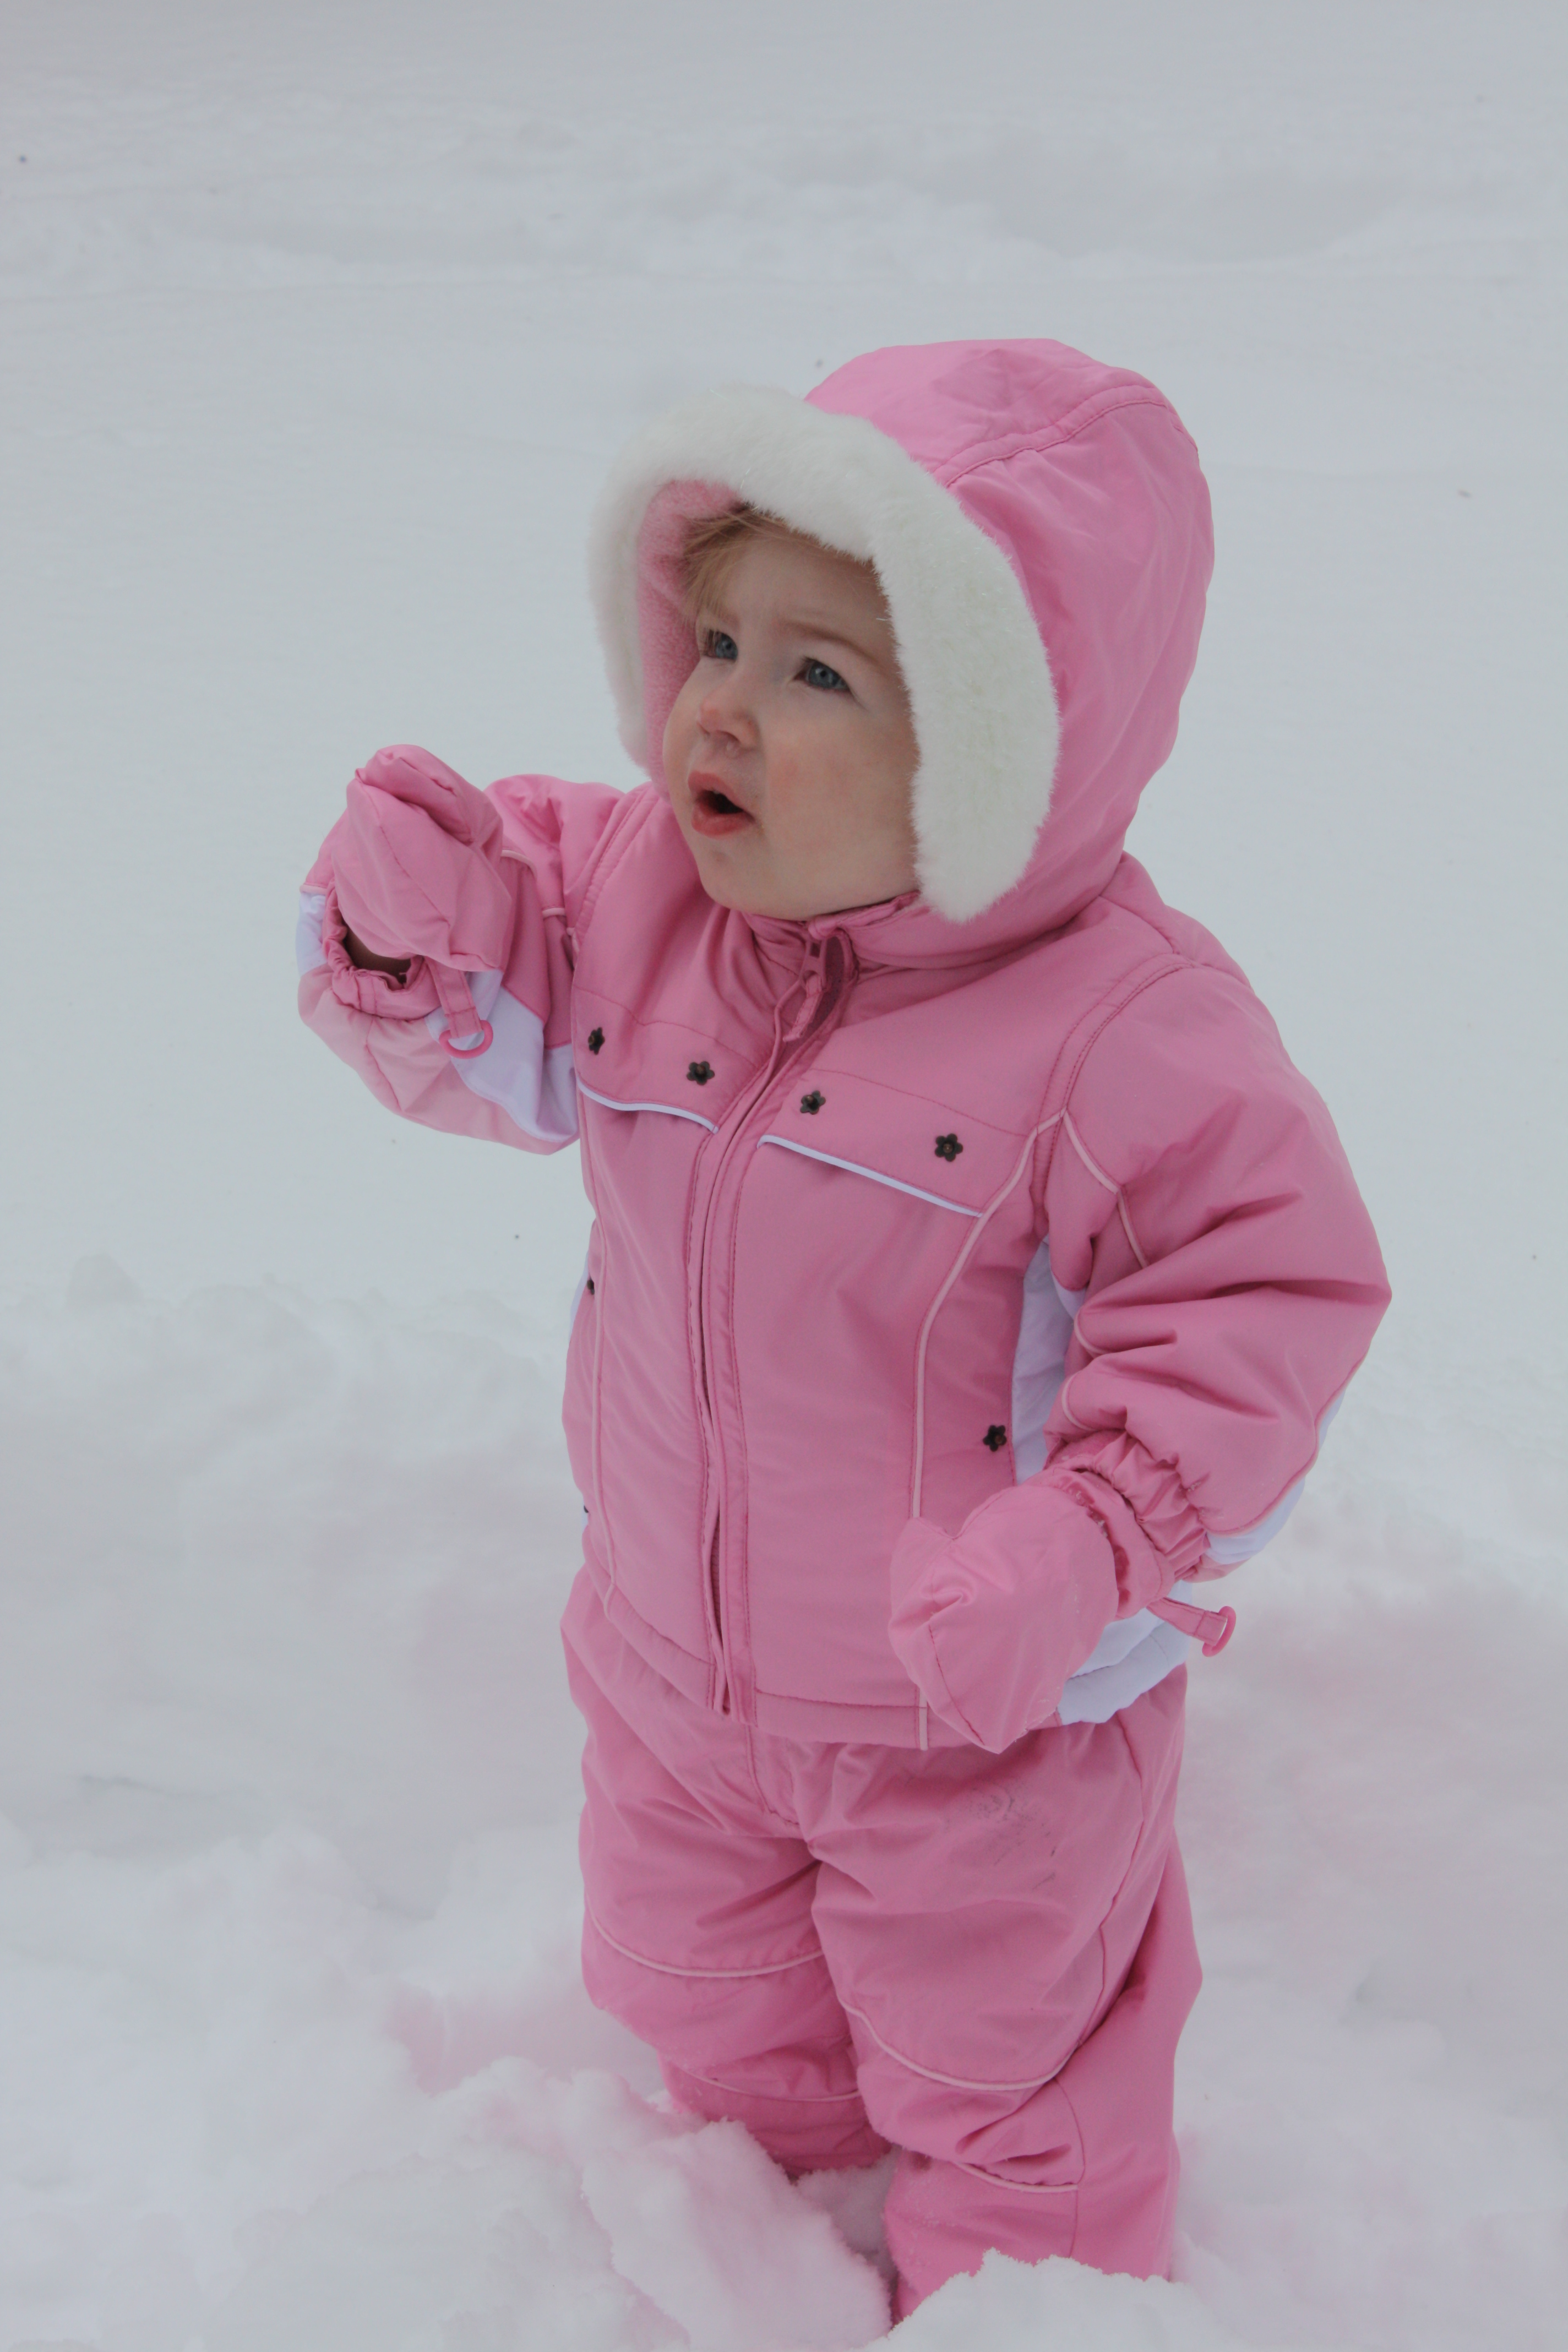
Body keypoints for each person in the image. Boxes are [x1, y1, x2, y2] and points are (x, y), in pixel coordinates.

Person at [297, 339, 1390, 2317]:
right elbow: (505, 1007)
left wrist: (1095, 1542)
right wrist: (412, 927)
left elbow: (1259, 1301)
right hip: (674, 1683)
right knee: (706, 2010)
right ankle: (777, 2249)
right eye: (718, 639)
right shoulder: (637, 898)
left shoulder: (1124, 1035)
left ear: (998, 749)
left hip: (977, 1734)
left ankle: (1019, 2302)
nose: (722, 706)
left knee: (1013, 2084)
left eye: (820, 675)